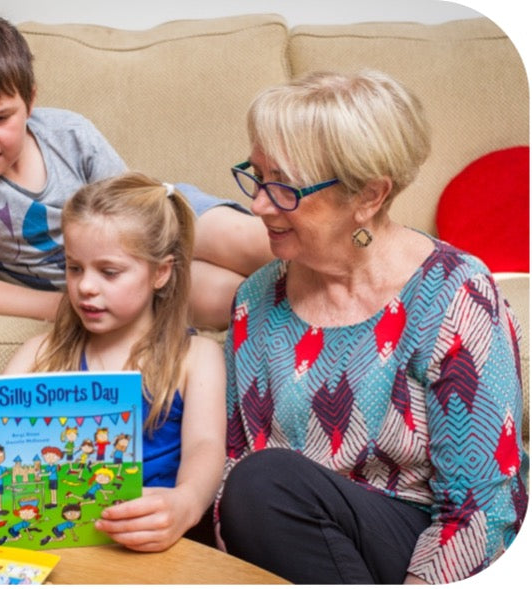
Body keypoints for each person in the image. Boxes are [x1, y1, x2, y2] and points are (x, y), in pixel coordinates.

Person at [215, 70, 528, 584]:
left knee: (265, 481)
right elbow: (235, 465)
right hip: (296, 540)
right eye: (256, 175)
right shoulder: (256, 297)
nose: (258, 204)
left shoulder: (456, 295)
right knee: (255, 485)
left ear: (369, 196)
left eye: (284, 187)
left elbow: (483, 510)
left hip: (420, 538)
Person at [0, 9, 271, 330]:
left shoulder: (69, 134)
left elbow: (130, 212)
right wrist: (67, 305)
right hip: (112, 278)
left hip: (150, 216)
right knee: (237, 299)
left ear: (30, 101)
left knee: (251, 241)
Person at [5, 171, 226, 552]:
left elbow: (205, 447)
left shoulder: (195, 356)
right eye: (74, 268)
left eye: (109, 272)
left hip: (151, 536)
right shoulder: (41, 353)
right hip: (55, 534)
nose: (85, 286)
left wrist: (186, 503)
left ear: (161, 272)